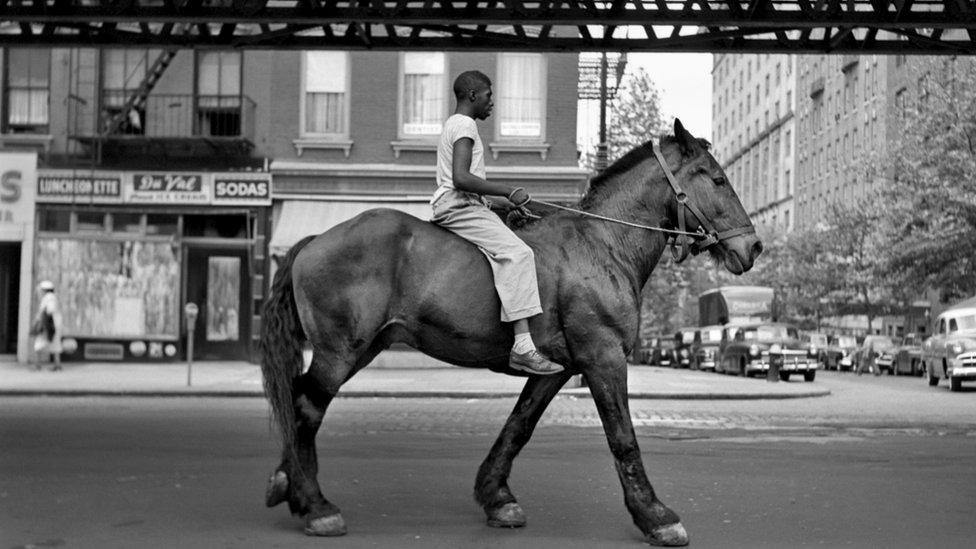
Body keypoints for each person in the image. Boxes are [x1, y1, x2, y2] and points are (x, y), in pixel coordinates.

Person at [430, 70, 563, 376]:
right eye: (489, 96)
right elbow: (461, 178)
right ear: (472, 95)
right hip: (458, 206)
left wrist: (503, 206)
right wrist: (507, 190)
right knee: (519, 254)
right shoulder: (464, 125)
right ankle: (523, 346)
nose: (493, 103)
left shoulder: (454, 124)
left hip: (461, 203)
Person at [31, 280, 62, 371]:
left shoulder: (49, 297)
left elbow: (49, 310)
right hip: (53, 324)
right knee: (55, 344)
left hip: (48, 325)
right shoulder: (52, 297)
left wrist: (40, 320)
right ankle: (57, 365)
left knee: (39, 344)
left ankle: (37, 365)